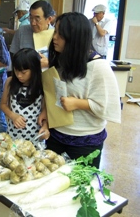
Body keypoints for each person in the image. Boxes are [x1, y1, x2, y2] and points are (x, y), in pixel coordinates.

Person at [46, 12, 121, 168]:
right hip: (56, 134)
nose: (54, 37)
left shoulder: (98, 67)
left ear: (75, 37)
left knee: (81, 186)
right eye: (55, 31)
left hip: (84, 140)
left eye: (60, 33)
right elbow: (53, 93)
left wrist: (78, 103)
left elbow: (109, 106)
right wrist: (44, 113)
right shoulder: (62, 60)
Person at [0, 48, 49, 148]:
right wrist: (13, 116)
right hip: (13, 135)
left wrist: (45, 125)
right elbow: (3, 104)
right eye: (16, 71)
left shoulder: (42, 85)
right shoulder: (10, 82)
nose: (19, 75)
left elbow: (45, 110)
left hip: (34, 137)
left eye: (23, 72)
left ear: (34, 69)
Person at [10, 0, 55, 69]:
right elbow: (14, 56)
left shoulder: (56, 35)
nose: (33, 23)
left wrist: (50, 63)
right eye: (31, 18)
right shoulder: (21, 31)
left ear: (49, 19)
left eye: (37, 19)